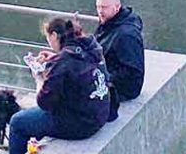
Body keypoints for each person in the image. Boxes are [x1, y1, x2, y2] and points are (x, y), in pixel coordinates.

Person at [7, 17, 111, 154]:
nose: (48, 41)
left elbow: (43, 103)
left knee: (17, 122)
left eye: (48, 37)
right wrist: (55, 58)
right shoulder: (89, 47)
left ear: (54, 35)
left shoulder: (63, 61)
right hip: (100, 114)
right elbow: (75, 68)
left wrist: (38, 78)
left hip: (81, 124)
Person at [93, 0, 145, 118]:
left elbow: (132, 71)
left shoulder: (126, 35)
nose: (100, 11)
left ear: (117, 7)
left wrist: (103, 78)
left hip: (123, 89)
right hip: (107, 76)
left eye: (104, 7)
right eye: (98, 7)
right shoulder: (109, 24)